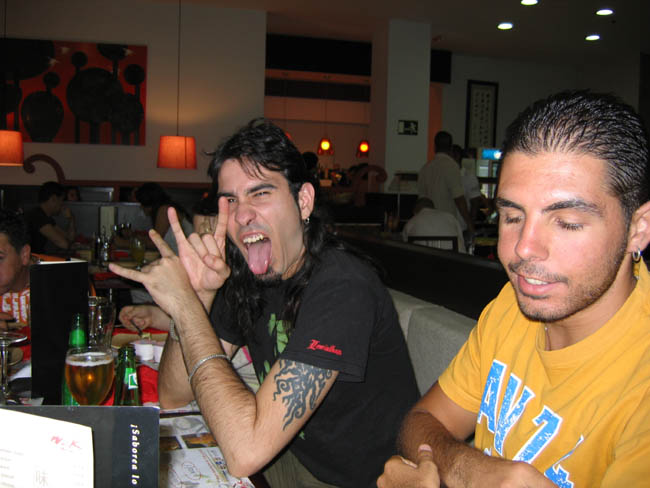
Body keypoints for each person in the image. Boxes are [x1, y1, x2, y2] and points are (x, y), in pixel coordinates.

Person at [110, 118, 419, 487]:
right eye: (230, 200)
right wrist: (199, 297)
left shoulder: (343, 287)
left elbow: (246, 452)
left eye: (260, 193)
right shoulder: (245, 276)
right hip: (291, 460)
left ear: (303, 201)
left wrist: (186, 307)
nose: (241, 215)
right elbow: (174, 394)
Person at [378, 90, 650, 487]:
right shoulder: (514, 304)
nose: (523, 249)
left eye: (567, 222)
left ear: (639, 228)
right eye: (511, 216)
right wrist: (469, 470)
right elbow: (422, 421)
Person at [418, 132, 474, 236]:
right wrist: (470, 225)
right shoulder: (452, 166)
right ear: (450, 148)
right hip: (446, 226)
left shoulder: (425, 168)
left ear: (434, 147)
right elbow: (459, 199)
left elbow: (421, 202)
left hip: (426, 226)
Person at [132, 182, 193, 254]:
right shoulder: (166, 207)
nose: (141, 207)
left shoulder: (164, 211)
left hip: (183, 256)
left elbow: (155, 243)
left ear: (148, 203)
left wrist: (128, 242)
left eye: (142, 203)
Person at [24, 181, 76, 253]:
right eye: (61, 200)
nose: (62, 204)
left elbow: (69, 238)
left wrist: (71, 219)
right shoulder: (37, 216)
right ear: (53, 199)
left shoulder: (45, 216)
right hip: (30, 258)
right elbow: (64, 244)